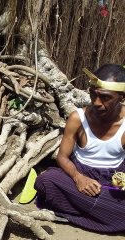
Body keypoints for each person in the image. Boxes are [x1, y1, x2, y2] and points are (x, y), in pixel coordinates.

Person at [35, 64, 125, 233]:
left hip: (113, 179)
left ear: (122, 97)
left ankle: (83, 210)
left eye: (105, 97)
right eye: (93, 94)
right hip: (81, 173)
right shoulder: (78, 118)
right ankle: (107, 214)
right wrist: (78, 178)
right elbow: (62, 157)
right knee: (46, 180)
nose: (97, 103)